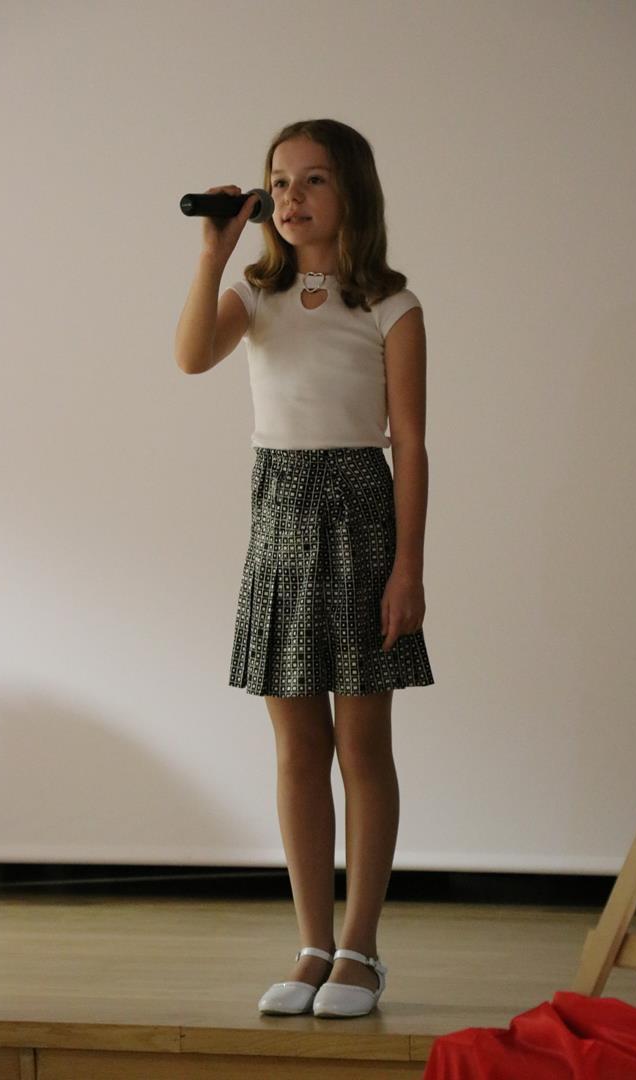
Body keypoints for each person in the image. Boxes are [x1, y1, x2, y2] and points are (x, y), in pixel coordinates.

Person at [174, 118, 435, 1019]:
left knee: (362, 746)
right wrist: (213, 254)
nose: (291, 197)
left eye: (313, 180)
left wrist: (409, 568)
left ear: (352, 191)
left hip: (361, 522)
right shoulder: (254, 296)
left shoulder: (392, 307)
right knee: (296, 748)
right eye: (279, 182)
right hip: (279, 523)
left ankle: (361, 948)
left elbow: (411, 445)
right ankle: (312, 943)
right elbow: (190, 356)